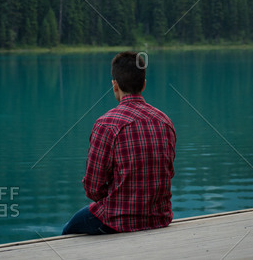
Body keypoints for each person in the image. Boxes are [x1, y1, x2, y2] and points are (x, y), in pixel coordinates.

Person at [62, 51, 176, 235]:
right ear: (144, 85)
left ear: (115, 85)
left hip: (116, 219)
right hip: (159, 218)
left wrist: (115, 195)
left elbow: (93, 188)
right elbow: (168, 173)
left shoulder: (106, 124)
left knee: (69, 230)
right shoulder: (164, 121)